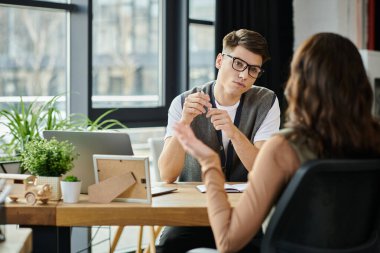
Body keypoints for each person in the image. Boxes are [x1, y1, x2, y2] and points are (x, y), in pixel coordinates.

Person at [173, 32, 380, 253]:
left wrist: (210, 162)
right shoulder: (375, 140)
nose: (244, 74)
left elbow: (227, 242)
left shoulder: (284, 148)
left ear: (300, 83)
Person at [157, 29, 281, 252]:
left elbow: (262, 169)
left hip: (241, 215)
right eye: (238, 64)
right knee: (169, 245)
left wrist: (233, 132)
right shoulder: (183, 102)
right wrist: (185, 121)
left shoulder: (266, 102)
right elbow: (167, 174)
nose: (244, 75)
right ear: (220, 60)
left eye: (253, 70)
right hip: (192, 213)